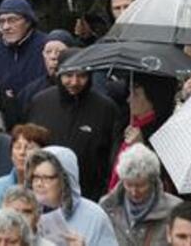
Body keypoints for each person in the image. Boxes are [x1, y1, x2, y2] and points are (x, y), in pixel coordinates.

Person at [26, 53, 120, 201]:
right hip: (44, 194)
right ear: (59, 74)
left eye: (81, 76)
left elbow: (111, 158)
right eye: (68, 75)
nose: (74, 82)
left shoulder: (106, 109)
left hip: (89, 195)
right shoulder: (40, 103)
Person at [26, 146, 118, 246]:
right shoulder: (21, 212)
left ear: (65, 180)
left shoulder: (95, 217)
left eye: (46, 178)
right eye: (36, 177)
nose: (39, 184)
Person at [100, 143, 181, 246]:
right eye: (129, 184)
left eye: (141, 185)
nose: (134, 191)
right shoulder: (106, 206)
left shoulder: (175, 209)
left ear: (152, 180)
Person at [0, 0, 47, 99]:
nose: (6, 27)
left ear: (28, 21)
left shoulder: (47, 48)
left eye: (12, 20)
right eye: (2, 21)